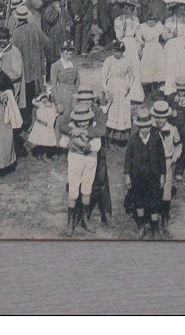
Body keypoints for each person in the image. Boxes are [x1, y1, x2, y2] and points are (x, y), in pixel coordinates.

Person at [124, 107, 166, 239]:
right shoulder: (133, 139)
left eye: (147, 126)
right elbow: (127, 158)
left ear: (150, 125)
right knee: (139, 201)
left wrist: (162, 175)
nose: (145, 129)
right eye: (142, 127)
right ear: (138, 126)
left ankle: (154, 229)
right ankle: (141, 227)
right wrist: (127, 175)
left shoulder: (156, 139)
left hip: (153, 175)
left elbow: (161, 158)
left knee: (154, 202)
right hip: (137, 176)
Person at [62, 104, 103, 235]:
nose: (84, 123)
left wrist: (83, 143)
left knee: (87, 188)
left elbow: (96, 146)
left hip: (90, 160)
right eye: (81, 120)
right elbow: (63, 142)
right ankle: (70, 221)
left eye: (86, 120)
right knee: (73, 189)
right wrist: (71, 143)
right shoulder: (71, 128)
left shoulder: (93, 128)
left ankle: (85, 219)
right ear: (75, 120)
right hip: (75, 159)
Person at [151, 100, 182, 236]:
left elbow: (178, 146)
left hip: (167, 162)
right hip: (153, 164)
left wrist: (173, 159)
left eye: (162, 117)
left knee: (166, 193)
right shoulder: (151, 129)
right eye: (157, 117)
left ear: (167, 117)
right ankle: (153, 222)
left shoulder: (172, 129)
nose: (160, 120)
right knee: (153, 191)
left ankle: (165, 222)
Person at [113, 0, 145, 109]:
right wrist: (123, 29)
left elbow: (138, 35)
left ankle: (136, 95)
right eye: (126, 8)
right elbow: (118, 37)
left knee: (135, 68)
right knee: (124, 68)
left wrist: (140, 45)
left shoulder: (135, 19)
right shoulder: (118, 20)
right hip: (123, 45)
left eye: (130, 8)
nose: (128, 11)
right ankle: (123, 93)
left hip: (133, 44)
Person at [102, 41, 135, 143]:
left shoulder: (127, 60)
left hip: (123, 87)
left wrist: (128, 87)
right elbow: (103, 77)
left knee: (123, 110)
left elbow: (132, 75)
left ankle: (121, 137)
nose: (117, 54)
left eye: (119, 52)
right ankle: (110, 137)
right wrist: (106, 91)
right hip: (112, 86)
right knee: (112, 109)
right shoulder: (108, 61)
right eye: (115, 51)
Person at [162, 4, 185, 96]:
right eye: (179, 9)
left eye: (183, 9)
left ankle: (184, 88)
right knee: (172, 67)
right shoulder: (168, 20)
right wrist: (172, 35)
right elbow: (164, 36)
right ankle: (170, 90)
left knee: (183, 67)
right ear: (174, 9)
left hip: (182, 45)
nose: (181, 11)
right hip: (171, 45)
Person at [137, 11, 167, 101]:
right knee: (148, 67)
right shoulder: (142, 27)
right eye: (149, 22)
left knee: (157, 67)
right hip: (147, 48)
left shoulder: (159, 26)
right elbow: (139, 38)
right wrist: (140, 46)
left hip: (157, 48)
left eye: (153, 22)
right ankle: (148, 88)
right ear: (146, 21)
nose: (151, 23)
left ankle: (156, 88)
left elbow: (164, 34)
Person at [26, 85, 61, 158]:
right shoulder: (40, 105)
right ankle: (39, 155)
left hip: (49, 127)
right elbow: (34, 101)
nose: (44, 99)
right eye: (42, 98)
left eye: (45, 97)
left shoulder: (52, 105)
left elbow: (55, 113)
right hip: (41, 126)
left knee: (46, 142)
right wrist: (41, 96)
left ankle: (44, 156)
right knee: (40, 141)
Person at [49, 40, 79, 115]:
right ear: (61, 53)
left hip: (74, 96)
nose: (68, 56)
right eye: (66, 54)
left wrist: (79, 96)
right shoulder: (55, 65)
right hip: (62, 95)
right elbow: (53, 85)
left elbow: (78, 82)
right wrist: (57, 102)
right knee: (63, 118)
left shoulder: (74, 65)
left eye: (70, 54)